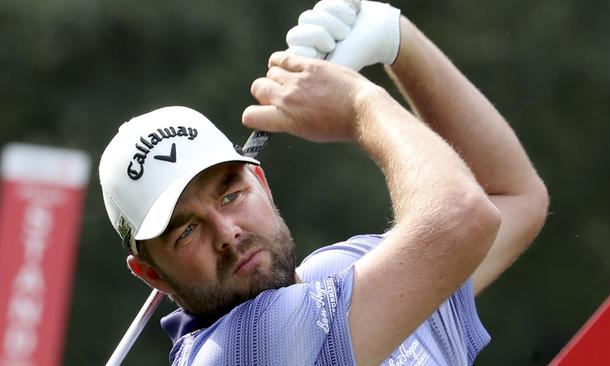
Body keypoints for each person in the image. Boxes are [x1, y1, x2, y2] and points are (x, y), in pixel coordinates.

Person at [98, 1, 548, 365]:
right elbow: (461, 218)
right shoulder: (233, 354)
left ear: (262, 184)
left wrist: (398, 40)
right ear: (152, 275)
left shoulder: (343, 273)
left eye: (231, 195)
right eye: (187, 231)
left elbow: (508, 199)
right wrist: (361, 102)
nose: (227, 233)